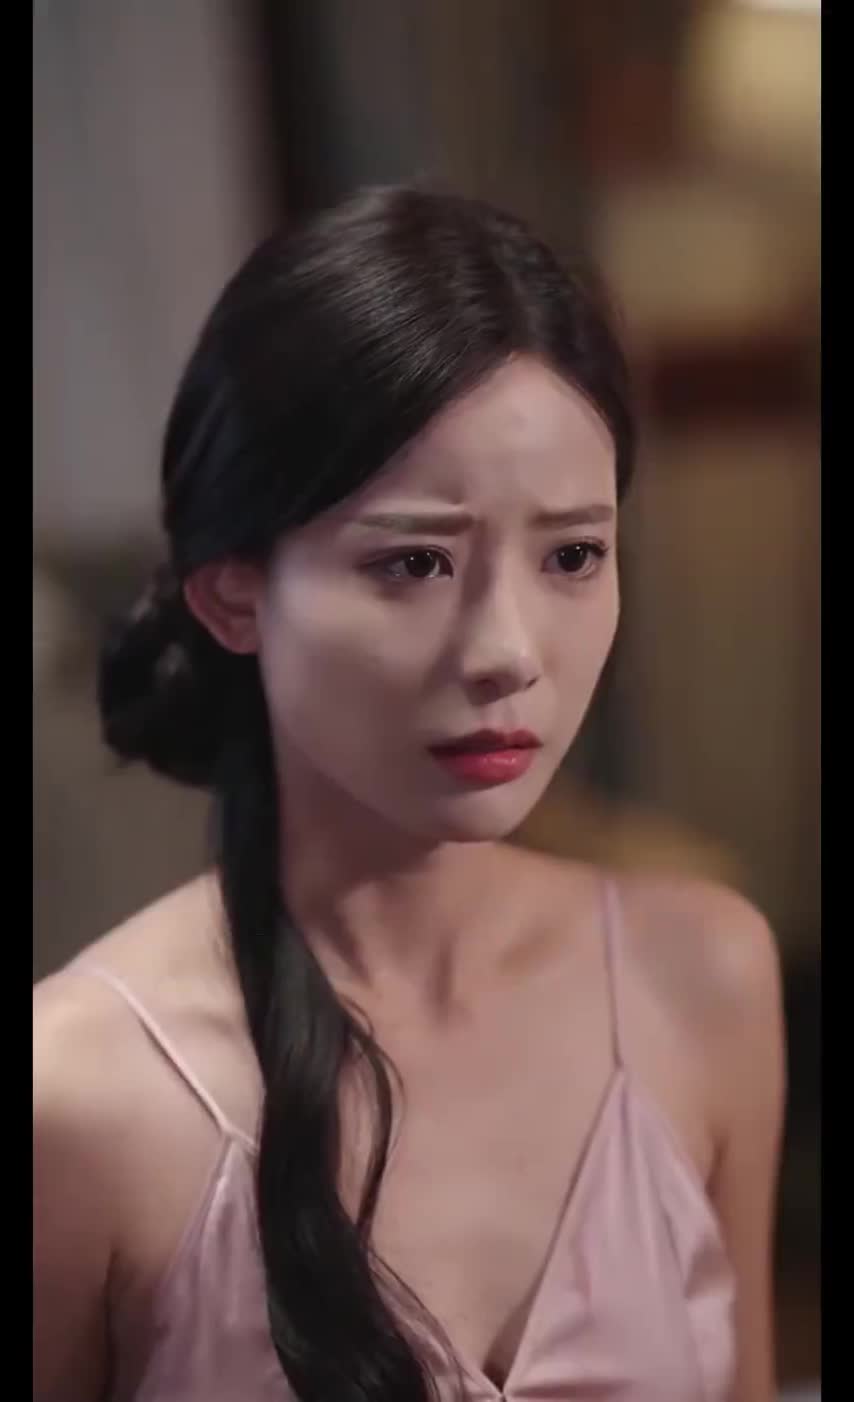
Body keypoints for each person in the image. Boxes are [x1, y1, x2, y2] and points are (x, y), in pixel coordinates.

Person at [33, 185, 784, 1402]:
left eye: (571, 555)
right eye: (414, 562)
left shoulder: (702, 976)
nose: (507, 650)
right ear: (232, 593)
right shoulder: (77, 1097)